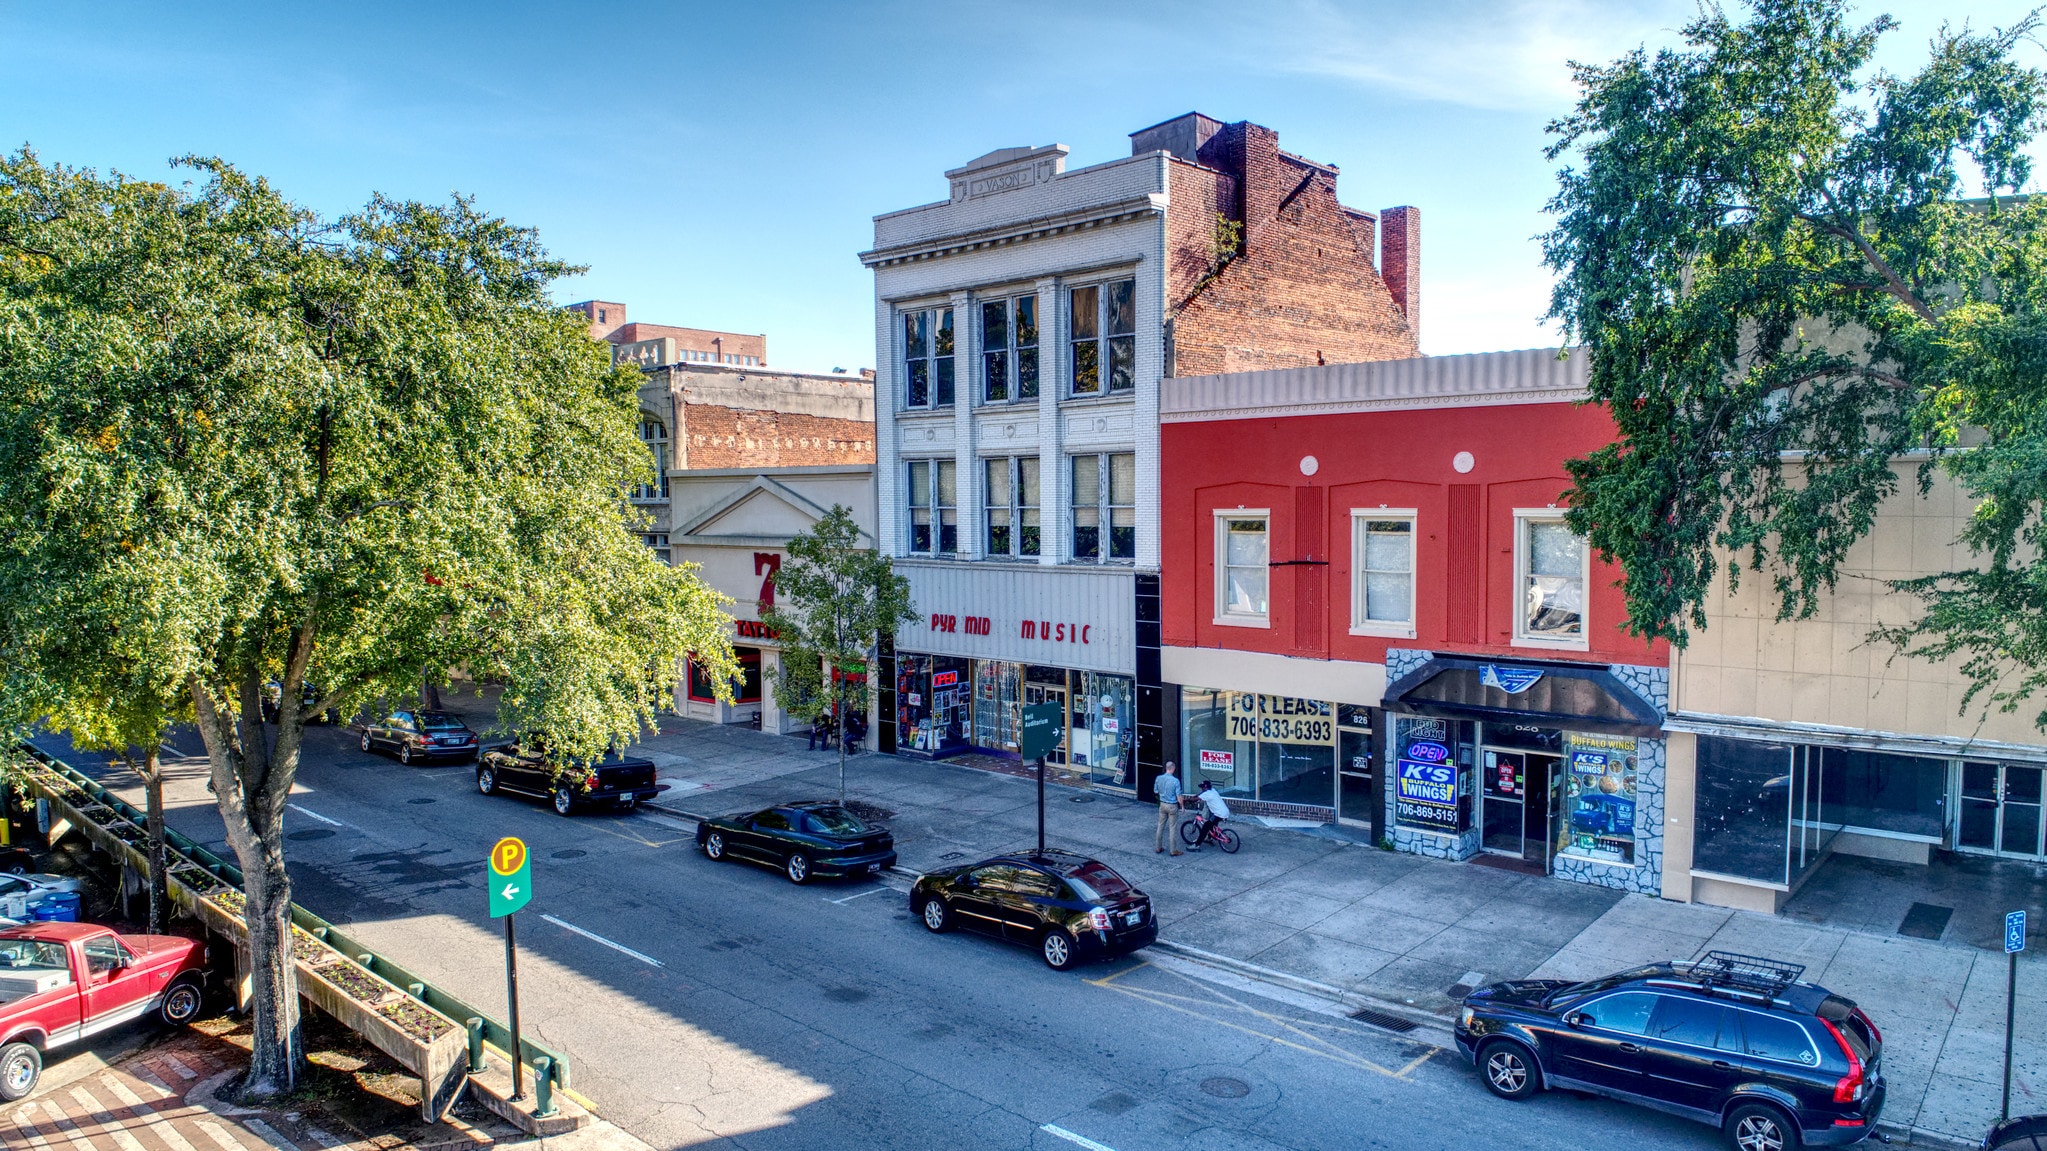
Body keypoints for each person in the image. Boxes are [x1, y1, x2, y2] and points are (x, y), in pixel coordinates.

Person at [1188, 779, 1231, 851]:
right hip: (1224, 811)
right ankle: (1210, 837)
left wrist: (1187, 800)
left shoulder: (1207, 794)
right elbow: (1200, 793)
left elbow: (1195, 800)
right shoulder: (1212, 790)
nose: (1201, 789)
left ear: (1205, 787)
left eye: (1202, 787)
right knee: (1211, 823)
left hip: (1219, 813)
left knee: (1205, 827)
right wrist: (1196, 795)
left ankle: (1196, 845)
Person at [1153, 761, 1184, 855]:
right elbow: (1179, 796)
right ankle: (1173, 850)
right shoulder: (1175, 781)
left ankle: (1158, 847)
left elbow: (1155, 791)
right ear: (1173, 768)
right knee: (1172, 827)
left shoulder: (1158, 778)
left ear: (1166, 768)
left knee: (1160, 826)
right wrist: (1182, 806)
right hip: (1172, 805)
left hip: (1162, 804)